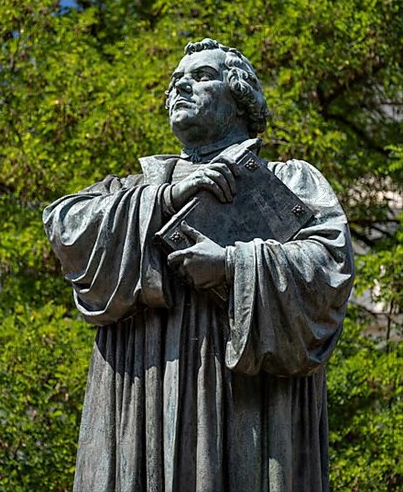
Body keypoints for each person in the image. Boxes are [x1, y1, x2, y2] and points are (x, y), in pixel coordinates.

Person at [43, 38, 354, 492]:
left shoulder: (287, 183)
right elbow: (65, 226)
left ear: (239, 96)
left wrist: (230, 265)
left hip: (245, 402)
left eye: (201, 76)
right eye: (175, 81)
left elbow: (329, 271)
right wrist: (165, 199)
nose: (180, 87)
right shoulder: (133, 188)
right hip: (144, 400)